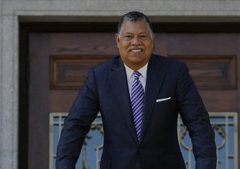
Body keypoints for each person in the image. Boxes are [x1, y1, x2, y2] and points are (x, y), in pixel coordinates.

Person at [56, 11, 217, 169]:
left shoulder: (174, 72)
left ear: (152, 39)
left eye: (142, 36)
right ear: (118, 40)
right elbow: (75, 125)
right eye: (128, 36)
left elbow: (198, 124)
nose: (135, 42)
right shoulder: (99, 76)